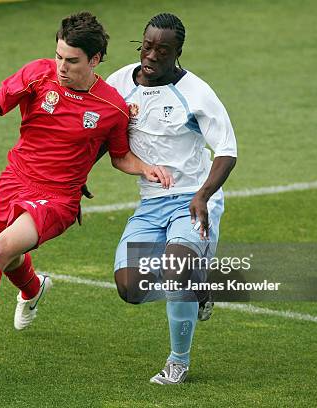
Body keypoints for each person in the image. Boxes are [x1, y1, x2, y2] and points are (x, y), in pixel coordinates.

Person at [0, 12, 172, 357]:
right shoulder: (37, 74)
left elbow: (120, 156)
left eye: (72, 61)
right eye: (59, 56)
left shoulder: (112, 108)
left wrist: (147, 168)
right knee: (11, 256)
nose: (61, 66)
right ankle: (33, 289)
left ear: (94, 60)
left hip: (57, 200)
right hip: (14, 180)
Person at [106, 13, 237, 384]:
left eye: (161, 51)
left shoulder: (196, 93)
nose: (150, 57)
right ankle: (199, 288)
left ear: (177, 52)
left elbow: (227, 150)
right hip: (150, 204)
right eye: (146, 47)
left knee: (177, 266)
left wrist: (204, 194)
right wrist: (76, 175)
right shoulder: (120, 83)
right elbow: (104, 132)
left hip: (193, 199)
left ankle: (178, 362)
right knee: (130, 288)